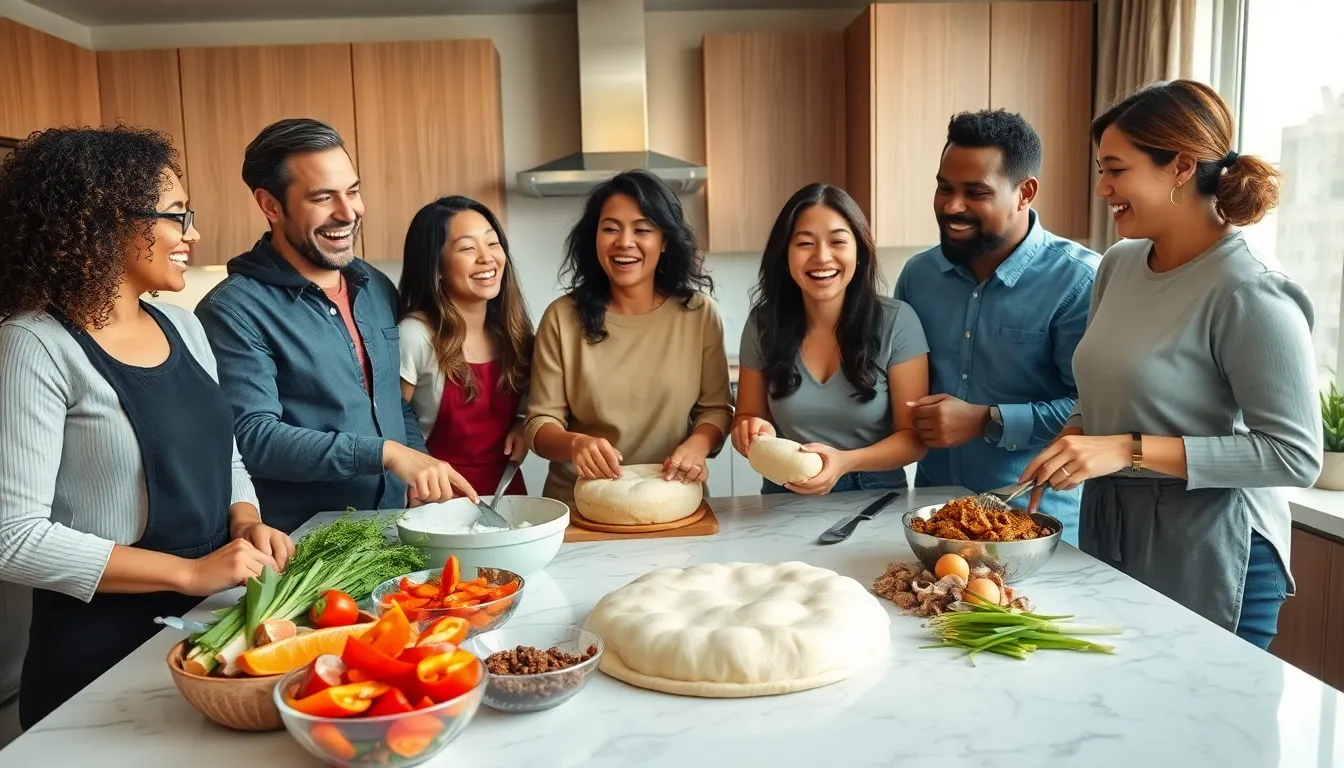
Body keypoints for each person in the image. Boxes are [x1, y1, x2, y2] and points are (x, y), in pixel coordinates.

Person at [0, 126, 292, 729]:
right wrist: (188, 571)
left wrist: (247, 521)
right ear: (109, 221)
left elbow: (225, 456)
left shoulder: (181, 326)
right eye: (177, 216)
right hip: (95, 658)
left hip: (208, 629)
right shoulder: (34, 344)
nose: (193, 234)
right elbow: (13, 538)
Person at [1021, 79, 1321, 650]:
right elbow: (1115, 384)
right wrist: (1076, 436)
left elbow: (1295, 454)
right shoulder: (1119, 264)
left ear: (1181, 167)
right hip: (1113, 526)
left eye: (1116, 169)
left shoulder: (1250, 289)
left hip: (1211, 548)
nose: (1102, 186)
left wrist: (1124, 448)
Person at [196, 119, 477, 534]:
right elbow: (253, 439)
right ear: (270, 205)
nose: (348, 212)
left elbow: (391, 404)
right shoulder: (233, 310)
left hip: (394, 529)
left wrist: (418, 469)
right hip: (303, 546)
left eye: (353, 191)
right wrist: (384, 454)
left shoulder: (375, 286)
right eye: (323, 197)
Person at [894, 109, 1100, 545]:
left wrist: (986, 419)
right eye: (944, 188)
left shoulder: (1080, 282)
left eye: (975, 192)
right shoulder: (918, 277)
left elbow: (1098, 410)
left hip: (1038, 526)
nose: (952, 206)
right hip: (933, 521)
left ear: (1025, 192)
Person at [525, 169, 734, 501]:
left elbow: (717, 410)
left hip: (672, 497)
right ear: (594, 238)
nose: (624, 242)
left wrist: (697, 445)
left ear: (664, 241)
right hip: (581, 502)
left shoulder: (699, 314)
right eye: (610, 228)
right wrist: (576, 443)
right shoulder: (562, 318)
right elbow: (539, 425)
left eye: (642, 229)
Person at [731, 183, 928, 494]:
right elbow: (747, 415)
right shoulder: (763, 324)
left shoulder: (898, 322)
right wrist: (755, 431)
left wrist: (845, 462)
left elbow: (914, 439)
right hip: (785, 490)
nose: (822, 257)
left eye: (837, 241)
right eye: (805, 243)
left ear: (859, 252)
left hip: (875, 493)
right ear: (785, 256)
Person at [397, 196, 534, 497]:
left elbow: (531, 407)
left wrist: (524, 424)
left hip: (505, 494)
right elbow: (390, 421)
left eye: (492, 244)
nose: (486, 258)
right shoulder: (415, 336)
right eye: (467, 248)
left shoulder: (514, 333)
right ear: (437, 266)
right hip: (436, 499)